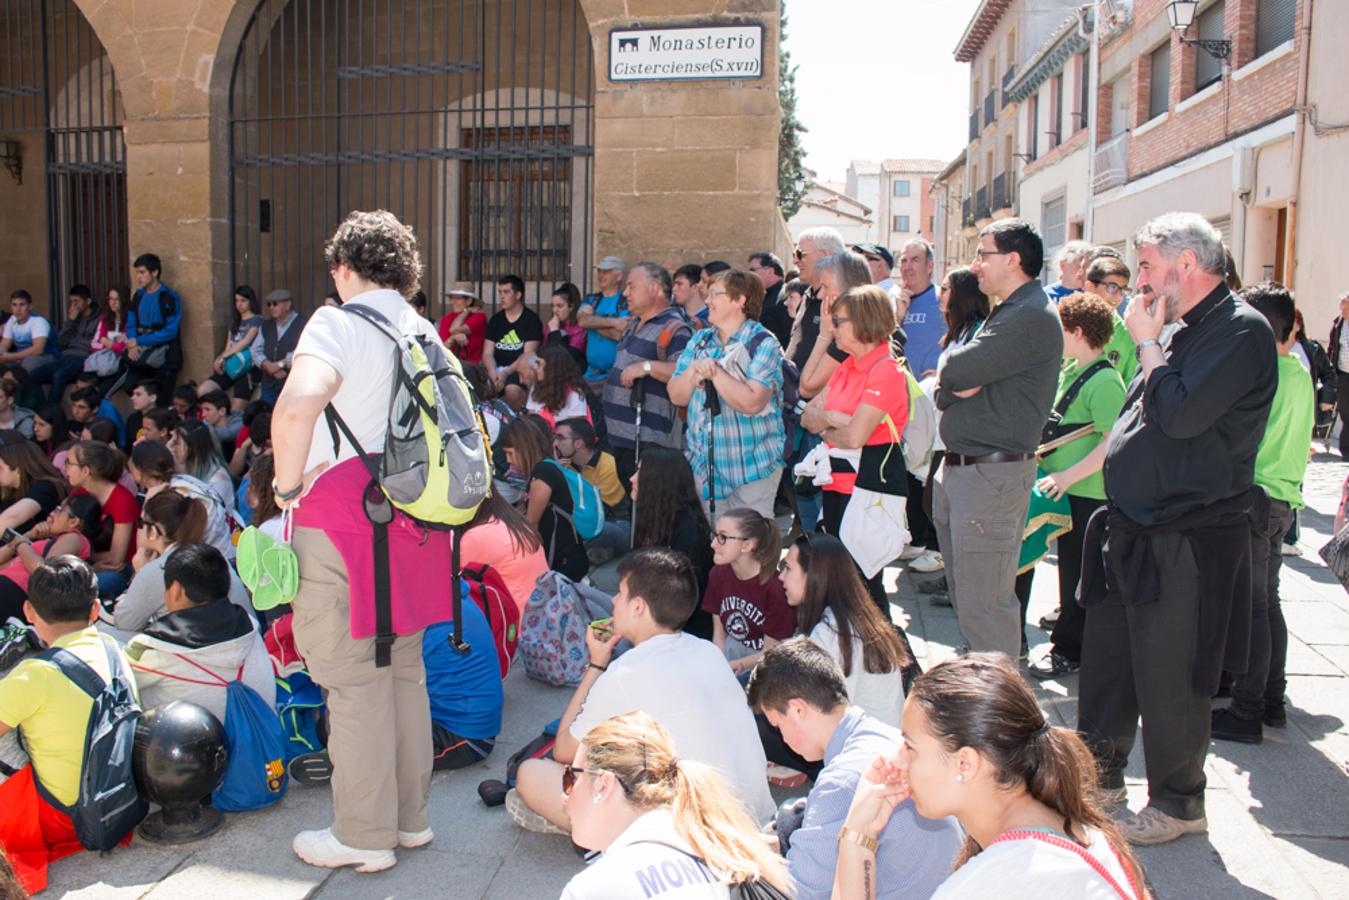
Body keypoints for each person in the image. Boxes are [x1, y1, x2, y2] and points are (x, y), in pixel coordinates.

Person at [1081, 212, 1277, 845]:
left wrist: (1147, 343)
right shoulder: (1180, 327)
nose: (1137, 281)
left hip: (1187, 537)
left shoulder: (1239, 330)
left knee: (1171, 672)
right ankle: (1097, 779)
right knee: (1110, 663)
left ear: (1185, 265)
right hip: (1134, 529)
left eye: (1144, 267)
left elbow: (1184, 416)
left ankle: (1179, 803)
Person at [271, 209, 452, 872]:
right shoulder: (423, 328)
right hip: (415, 519)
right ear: (405, 272)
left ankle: (362, 834)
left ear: (342, 268)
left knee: (352, 682)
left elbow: (297, 404)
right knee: (403, 669)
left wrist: (286, 487)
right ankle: (409, 823)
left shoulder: (336, 322)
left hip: (346, 519)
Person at [833, 655, 1145, 900]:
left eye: (910, 746)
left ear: (965, 763)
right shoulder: (1084, 833)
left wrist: (857, 837)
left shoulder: (996, 880)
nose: (895, 760)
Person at [510, 549, 775, 833]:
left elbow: (564, 749)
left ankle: (590, 829)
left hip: (698, 838)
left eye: (620, 593)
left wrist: (596, 665)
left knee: (530, 774)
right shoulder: (708, 651)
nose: (613, 600)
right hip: (755, 817)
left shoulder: (625, 673)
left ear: (638, 607)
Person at [933, 218, 1062, 659]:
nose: (975, 266)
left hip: (990, 477)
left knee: (986, 604)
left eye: (982, 254)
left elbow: (954, 370)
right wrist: (953, 383)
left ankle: (1003, 716)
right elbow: (951, 383)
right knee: (971, 599)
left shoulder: (1027, 316)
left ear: (1013, 259)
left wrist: (953, 378)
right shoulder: (1009, 311)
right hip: (973, 472)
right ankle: (987, 698)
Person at [746, 638, 962, 900]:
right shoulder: (883, 735)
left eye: (778, 726)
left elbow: (801, 892)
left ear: (798, 709)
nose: (783, 739)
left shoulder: (841, 781)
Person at [1211, 282, 1314, 745]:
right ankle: (1271, 699)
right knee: (1267, 601)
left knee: (1253, 606)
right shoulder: (1296, 371)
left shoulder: (1258, 371)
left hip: (1253, 494)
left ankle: (1249, 708)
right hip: (1282, 498)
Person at [0, 556, 138, 894]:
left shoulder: (35, 674)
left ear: (29, 613)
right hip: (116, 801)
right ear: (94, 609)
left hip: (60, 818)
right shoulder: (112, 647)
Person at [560, 711, 794, 900]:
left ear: (603, 784)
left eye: (571, 778)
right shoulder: (730, 851)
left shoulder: (591, 890)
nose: (564, 797)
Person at [1024, 293, 1127, 680]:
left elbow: (1110, 442)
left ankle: (1072, 649)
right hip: (1064, 491)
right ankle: (1070, 636)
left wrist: (1066, 476)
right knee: (1067, 570)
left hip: (1087, 495)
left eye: (1061, 329)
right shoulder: (1071, 369)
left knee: (1079, 574)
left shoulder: (1105, 381)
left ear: (1078, 332)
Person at [799, 284, 910, 613]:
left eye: (839, 320)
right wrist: (834, 421)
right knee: (848, 589)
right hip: (837, 487)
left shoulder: (885, 370)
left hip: (866, 492)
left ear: (863, 321)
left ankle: (898, 663)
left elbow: (855, 437)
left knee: (863, 590)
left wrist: (827, 423)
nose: (832, 327)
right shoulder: (847, 364)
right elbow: (808, 416)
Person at [668, 269, 784, 519]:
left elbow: (752, 402)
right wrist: (693, 371)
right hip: (706, 468)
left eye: (714, 294)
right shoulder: (700, 340)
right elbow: (677, 396)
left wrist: (715, 373)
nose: (706, 301)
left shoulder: (764, 343)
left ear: (739, 300)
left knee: (749, 547)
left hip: (754, 468)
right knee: (717, 546)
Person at [124, 542, 273, 722]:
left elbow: (119, 682)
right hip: (263, 744)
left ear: (176, 590)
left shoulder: (156, 651)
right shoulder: (250, 628)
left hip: (197, 748)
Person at [779, 533, 907, 725]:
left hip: (863, 746)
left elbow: (821, 714)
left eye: (788, 568)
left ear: (814, 575)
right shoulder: (853, 615)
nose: (781, 577)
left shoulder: (832, 633)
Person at [101, 490, 253, 638]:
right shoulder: (213, 556)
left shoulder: (156, 570)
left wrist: (140, 573)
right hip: (240, 638)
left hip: (198, 649)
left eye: (141, 523)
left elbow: (125, 623)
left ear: (153, 531)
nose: (139, 529)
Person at [603, 262, 694, 488]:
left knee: (650, 508)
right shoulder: (635, 323)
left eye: (631, 287)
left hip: (647, 444)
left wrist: (646, 367)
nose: (625, 293)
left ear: (653, 289)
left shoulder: (675, 328)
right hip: (622, 439)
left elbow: (684, 371)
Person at [630, 447, 715, 638]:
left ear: (658, 482)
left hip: (680, 633)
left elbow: (682, 603)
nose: (632, 479)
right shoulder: (653, 519)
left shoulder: (688, 532)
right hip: (650, 613)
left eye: (639, 473)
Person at [702, 508, 791, 675]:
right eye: (715, 535)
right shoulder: (718, 574)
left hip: (767, 664)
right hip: (732, 653)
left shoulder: (775, 587)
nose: (713, 544)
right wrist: (719, 665)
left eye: (723, 538)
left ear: (747, 545)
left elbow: (771, 651)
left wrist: (731, 667)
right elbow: (719, 635)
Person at [502, 416, 588, 581]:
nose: (508, 460)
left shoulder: (543, 473)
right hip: (563, 558)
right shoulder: (542, 469)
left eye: (510, 453)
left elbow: (531, 524)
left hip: (563, 562)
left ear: (524, 448)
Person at [423, 594, 502, 771]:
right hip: (469, 728)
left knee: (368, 751)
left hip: (463, 739)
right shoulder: (455, 595)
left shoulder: (429, 615)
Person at [127, 439, 236, 561]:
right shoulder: (183, 479)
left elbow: (143, 551)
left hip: (212, 562)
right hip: (225, 554)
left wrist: (147, 504)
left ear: (138, 468)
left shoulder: (167, 499)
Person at [0, 494, 101, 623]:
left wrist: (21, 544)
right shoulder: (46, 541)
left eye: (59, 509)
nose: (52, 513)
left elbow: (45, 572)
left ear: (73, 521)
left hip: (15, 591)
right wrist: (28, 536)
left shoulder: (75, 538)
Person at [63, 441, 138, 597]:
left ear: (85, 470)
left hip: (121, 570)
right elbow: (59, 530)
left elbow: (116, 558)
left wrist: (78, 556)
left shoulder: (122, 500)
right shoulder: (78, 494)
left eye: (69, 463)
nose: (65, 468)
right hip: (86, 563)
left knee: (74, 589)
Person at [458, 489, 547, 614]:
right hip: (542, 617)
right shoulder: (513, 521)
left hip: (515, 624)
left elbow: (454, 585)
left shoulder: (476, 536)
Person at [797, 251, 871, 398]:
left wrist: (825, 334)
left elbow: (807, 387)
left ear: (848, 289)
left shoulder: (854, 334)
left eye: (825, 286)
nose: (820, 295)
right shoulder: (868, 323)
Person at [786, 227, 847, 379]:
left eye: (801, 254)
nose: (795, 260)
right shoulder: (808, 295)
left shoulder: (847, 300)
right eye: (795, 254)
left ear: (824, 256)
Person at [30, 284, 99, 405]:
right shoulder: (73, 319)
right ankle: (43, 410)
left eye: (76, 301)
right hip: (66, 356)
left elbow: (94, 343)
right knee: (33, 376)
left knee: (59, 375)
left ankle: (51, 412)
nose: (73, 305)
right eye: (71, 302)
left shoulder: (99, 319)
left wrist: (77, 342)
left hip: (83, 358)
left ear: (87, 301)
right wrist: (70, 321)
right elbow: (61, 343)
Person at [483, 274, 543, 410]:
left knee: (512, 390)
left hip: (518, 370)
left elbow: (527, 356)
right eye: (500, 292)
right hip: (496, 369)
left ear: (518, 295)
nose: (501, 296)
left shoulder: (531, 320)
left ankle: (516, 421)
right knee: (481, 387)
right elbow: (487, 353)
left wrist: (506, 373)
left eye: (506, 292)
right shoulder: (496, 320)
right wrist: (493, 373)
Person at [125, 252, 184, 390]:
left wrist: (139, 341)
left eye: (142, 272)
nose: (138, 277)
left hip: (165, 358)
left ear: (155, 272)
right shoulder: (138, 296)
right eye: (137, 273)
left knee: (160, 401)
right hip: (140, 356)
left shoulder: (168, 297)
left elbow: (170, 331)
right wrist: (133, 342)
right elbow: (131, 322)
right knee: (130, 387)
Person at [200, 285, 263, 408]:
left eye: (243, 300)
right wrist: (221, 360)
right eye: (237, 300)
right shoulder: (234, 322)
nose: (239, 304)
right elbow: (228, 345)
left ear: (251, 301)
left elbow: (245, 341)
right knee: (202, 391)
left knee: (236, 409)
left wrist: (223, 356)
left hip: (248, 367)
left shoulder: (257, 319)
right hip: (231, 364)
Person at [1079, 257, 1138, 385]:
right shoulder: (1068, 324)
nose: (1118, 296)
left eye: (1123, 289)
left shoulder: (1127, 335)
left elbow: (1129, 382)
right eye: (1112, 287)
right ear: (1090, 287)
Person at [577, 256, 629, 385]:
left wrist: (592, 321)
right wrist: (615, 322)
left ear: (619, 276)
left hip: (616, 376)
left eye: (606, 271)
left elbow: (620, 335)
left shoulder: (626, 302)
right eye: (599, 271)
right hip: (591, 375)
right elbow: (582, 322)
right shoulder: (591, 299)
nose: (600, 275)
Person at [554, 417, 624, 513]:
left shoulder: (608, 464)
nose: (555, 443)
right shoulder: (566, 465)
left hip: (612, 519)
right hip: (583, 516)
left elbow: (598, 509)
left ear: (579, 443)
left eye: (560, 438)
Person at [895, 240, 943, 379]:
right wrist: (898, 317)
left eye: (915, 260)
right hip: (900, 392)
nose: (907, 266)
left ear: (929, 266)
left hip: (930, 393)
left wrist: (946, 375)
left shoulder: (944, 299)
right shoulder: (892, 301)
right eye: (904, 261)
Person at [251, 288, 305, 405]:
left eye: (275, 303)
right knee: (267, 417)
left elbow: (303, 351)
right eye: (269, 304)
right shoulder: (266, 325)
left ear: (288, 304)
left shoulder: (304, 324)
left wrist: (282, 364)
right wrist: (268, 366)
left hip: (293, 384)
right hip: (269, 383)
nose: (271, 307)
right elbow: (255, 350)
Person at [0, 439, 65, 535]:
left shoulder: (45, 487)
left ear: (18, 471)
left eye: (0, 468)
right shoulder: (12, 490)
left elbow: (12, 517)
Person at [169, 420, 235, 511]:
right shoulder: (183, 467)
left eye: (176, 443)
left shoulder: (218, 480)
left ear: (192, 446)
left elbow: (210, 516)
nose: (172, 447)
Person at [524, 344, 591, 431]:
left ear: (552, 368)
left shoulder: (575, 394)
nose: (535, 368)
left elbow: (575, 433)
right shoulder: (535, 387)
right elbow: (531, 422)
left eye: (539, 364)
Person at [0, 290, 52, 374]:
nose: (18, 309)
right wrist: (1, 353)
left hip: (45, 357)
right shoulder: (12, 320)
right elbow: (5, 344)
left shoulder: (38, 321)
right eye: (14, 305)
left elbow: (38, 350)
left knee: (26, 365)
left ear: (30, 306)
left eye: (22, 305)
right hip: (22, 358)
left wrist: (10, 357)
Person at [749, 251, 791, 349]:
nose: (750, 275)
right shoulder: (762, 295)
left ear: (769, 271)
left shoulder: (786, 295)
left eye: (752, 270)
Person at [438, 288, 487, 365]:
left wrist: (466, 311)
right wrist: (453, 338)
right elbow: (442, 348)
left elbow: (454, 329)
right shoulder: (446, 319)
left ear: (469, 301)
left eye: (458, 298)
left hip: (472, 367)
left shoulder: (479, 316)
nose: (454, 301)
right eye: (452, 298)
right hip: (451, 366)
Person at [1327, 291, 1349, 459]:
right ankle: (1345, 448)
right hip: (1343, 374)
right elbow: (1333, 347)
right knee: (1345, 410)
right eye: (1342, 309)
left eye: (1347, 309)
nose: (1344, 313)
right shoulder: (1339, 324)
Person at [545, 282, 588, 367]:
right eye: (553, 306)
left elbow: (568, 356)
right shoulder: (551, 324)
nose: (554, 310)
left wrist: (554, 332)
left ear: (571, 307)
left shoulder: (579, 327)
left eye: (559, 306)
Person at [123, 379, 161, 445]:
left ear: (152, 398)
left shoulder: (163, 419)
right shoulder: (132, 419)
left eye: (138, 394)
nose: (132, 398)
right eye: (133, 394)